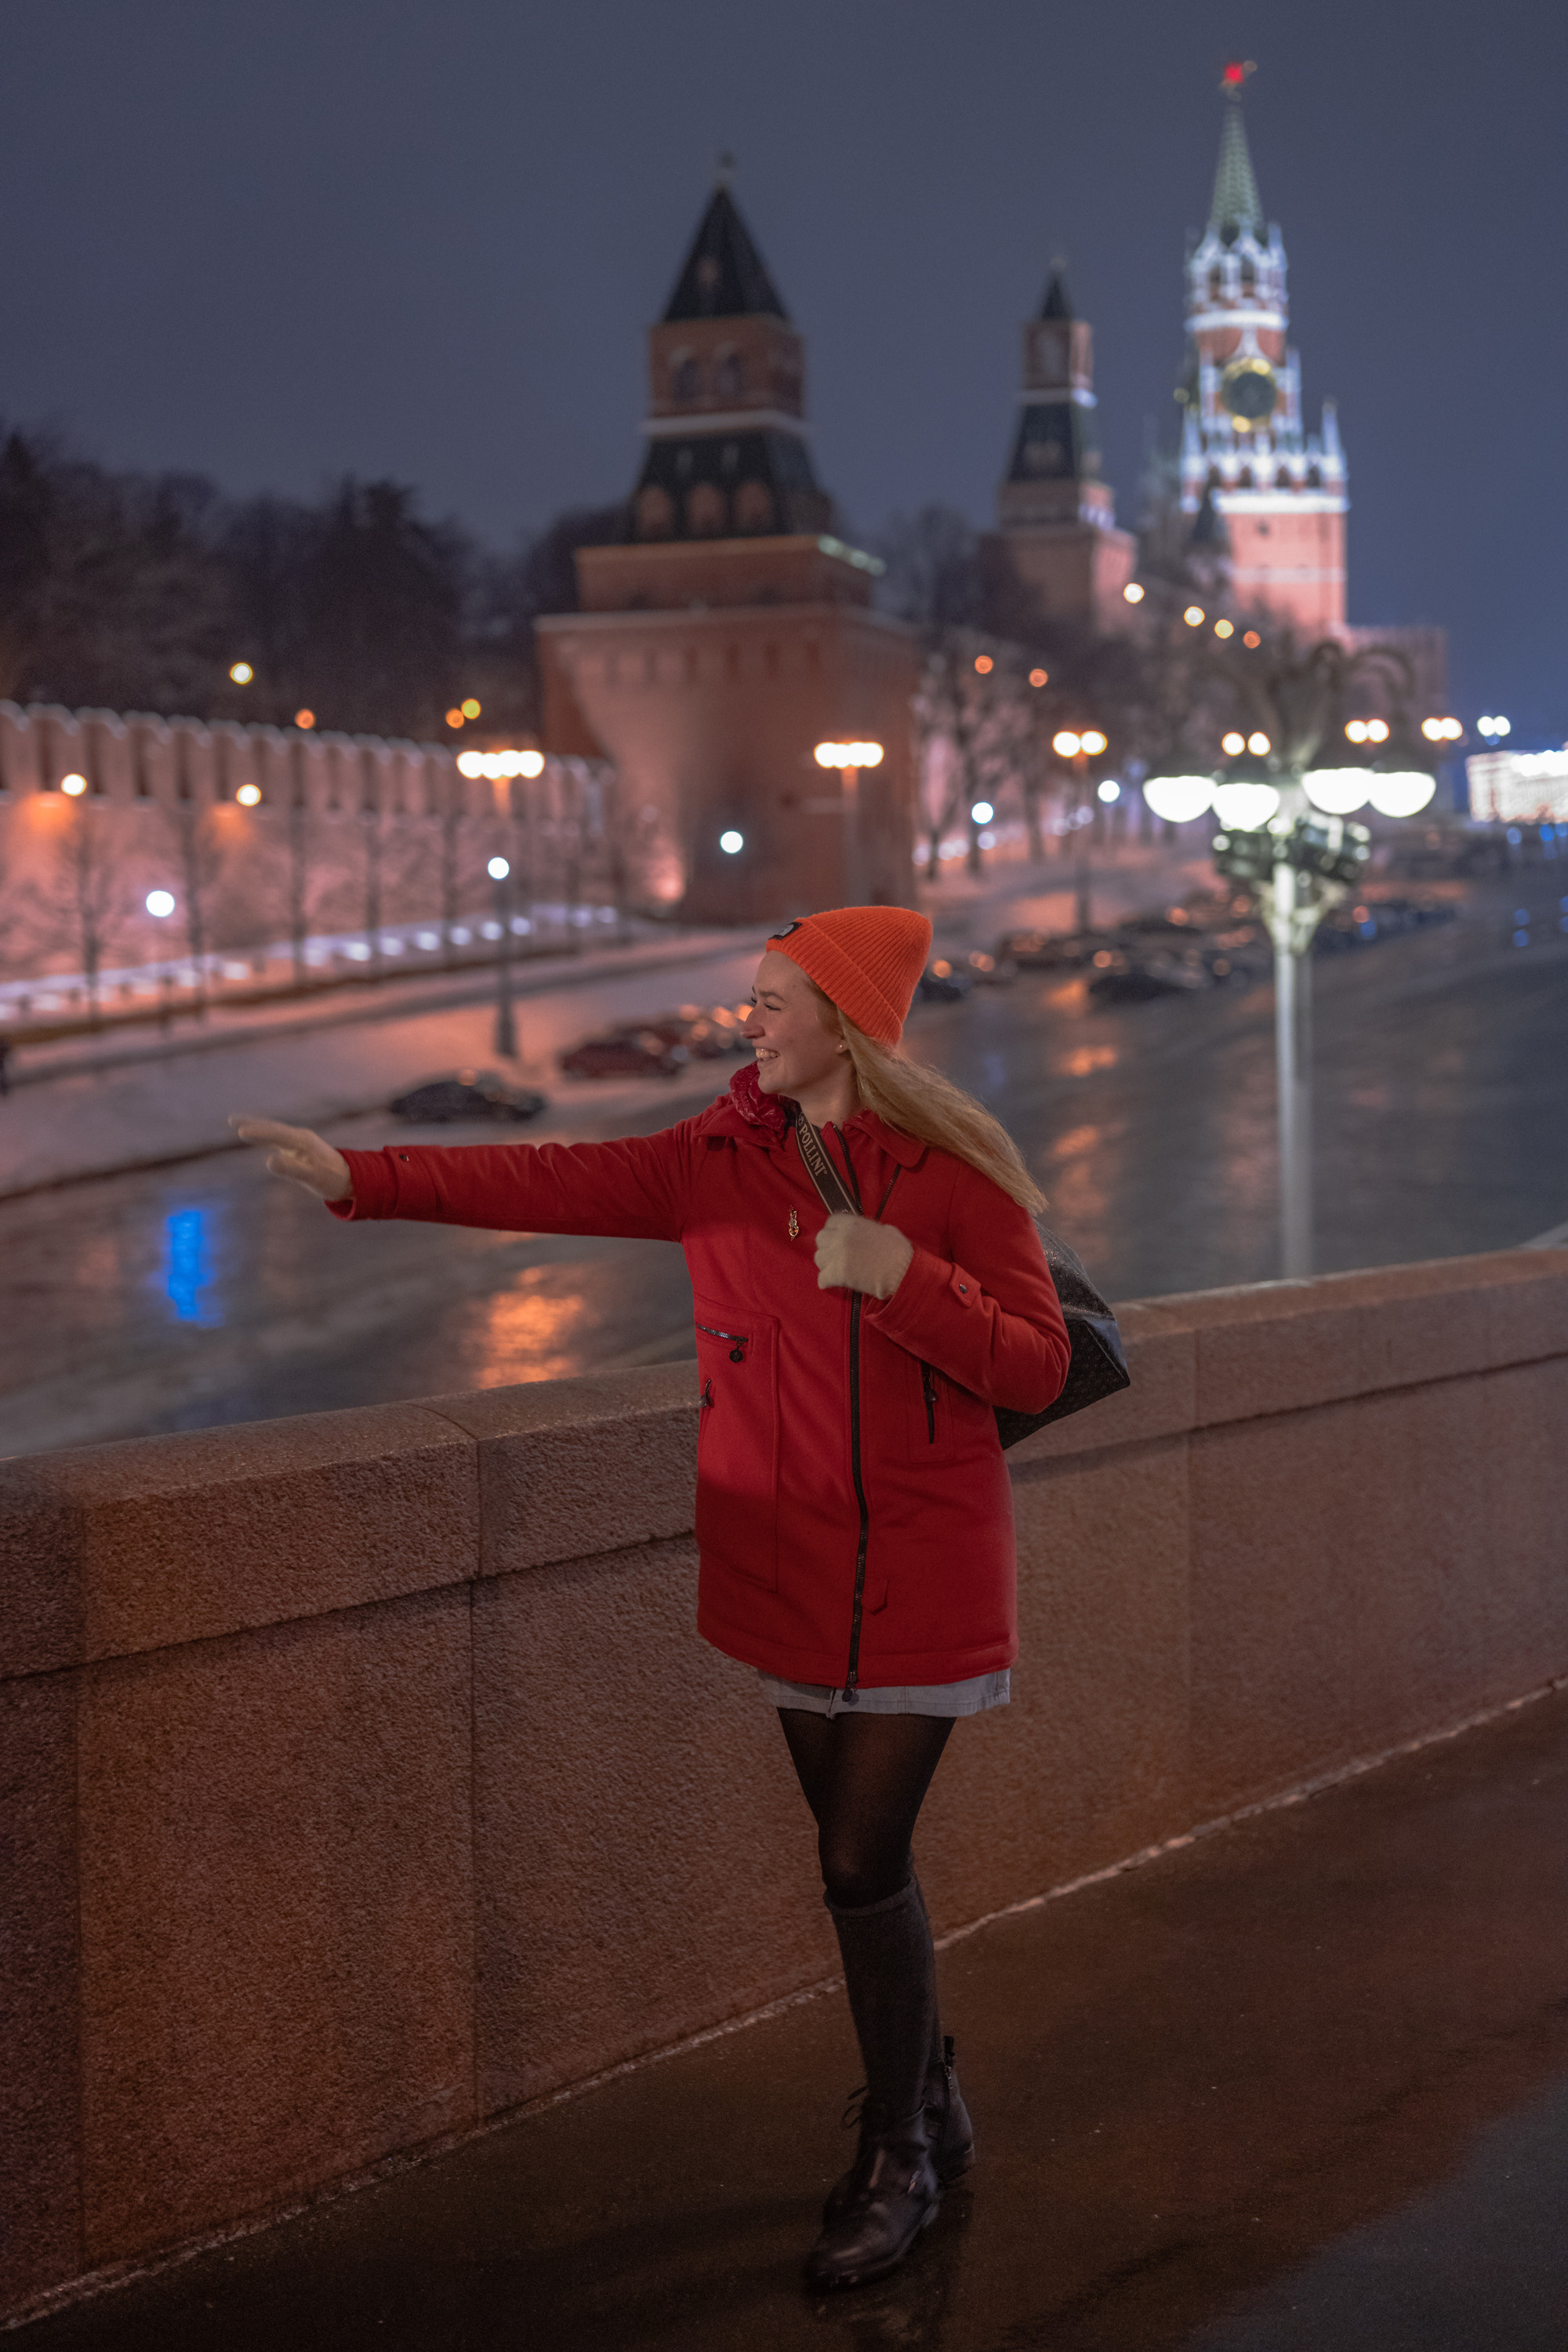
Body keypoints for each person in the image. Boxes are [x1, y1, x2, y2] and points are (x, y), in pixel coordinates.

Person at [232, 902, 1069, 2293]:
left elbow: (1038, 1365)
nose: (749, 1022)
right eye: (751, 999)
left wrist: (908, 1279)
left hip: (920, 1568)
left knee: (860, 1863)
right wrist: (357, 1178)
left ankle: (900, 2153)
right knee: (862, 1873)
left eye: (774, 1001)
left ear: (847, 1023)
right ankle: (926, 2093)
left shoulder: (951, 1171)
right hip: (785, 1568)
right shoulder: (716, 1157)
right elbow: (549, 1179)